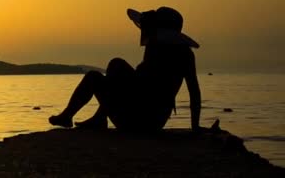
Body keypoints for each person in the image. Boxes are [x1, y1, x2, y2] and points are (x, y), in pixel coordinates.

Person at [49, 7, 201, 131]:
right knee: (113, 67)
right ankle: (97, 118)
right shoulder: (185, 54)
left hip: (136, 119)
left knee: (104, 71)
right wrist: (195, 128)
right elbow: (194, 91)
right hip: (155, 121)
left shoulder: (158, 50)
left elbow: (141, 87)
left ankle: (75, 117)